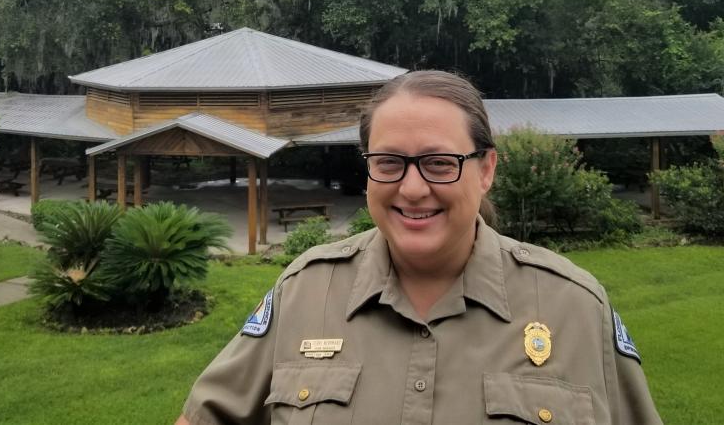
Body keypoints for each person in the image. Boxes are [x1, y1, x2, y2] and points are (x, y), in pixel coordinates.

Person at [176, 70, 662, 424]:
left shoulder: (575, 308)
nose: (411, 189)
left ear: (486, 169)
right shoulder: (305, 291)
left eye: (438, 163)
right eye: (389, 162)